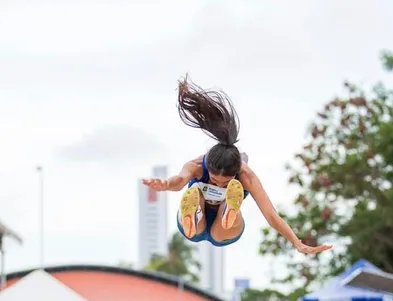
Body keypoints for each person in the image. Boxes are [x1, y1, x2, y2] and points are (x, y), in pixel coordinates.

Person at [142, 76, 332, 255]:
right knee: (195, 194)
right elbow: (180, 180)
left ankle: (228, 213)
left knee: (230, 204)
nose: (218, 185)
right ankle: (192, 216)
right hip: (194, 227)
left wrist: (296, 242)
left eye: (225, 183)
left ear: (236, 172)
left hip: (224, 232)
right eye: (215, 180)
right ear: (209, 167)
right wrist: (166, 184)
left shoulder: (246, 176)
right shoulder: (197, 166)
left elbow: (271, 215)